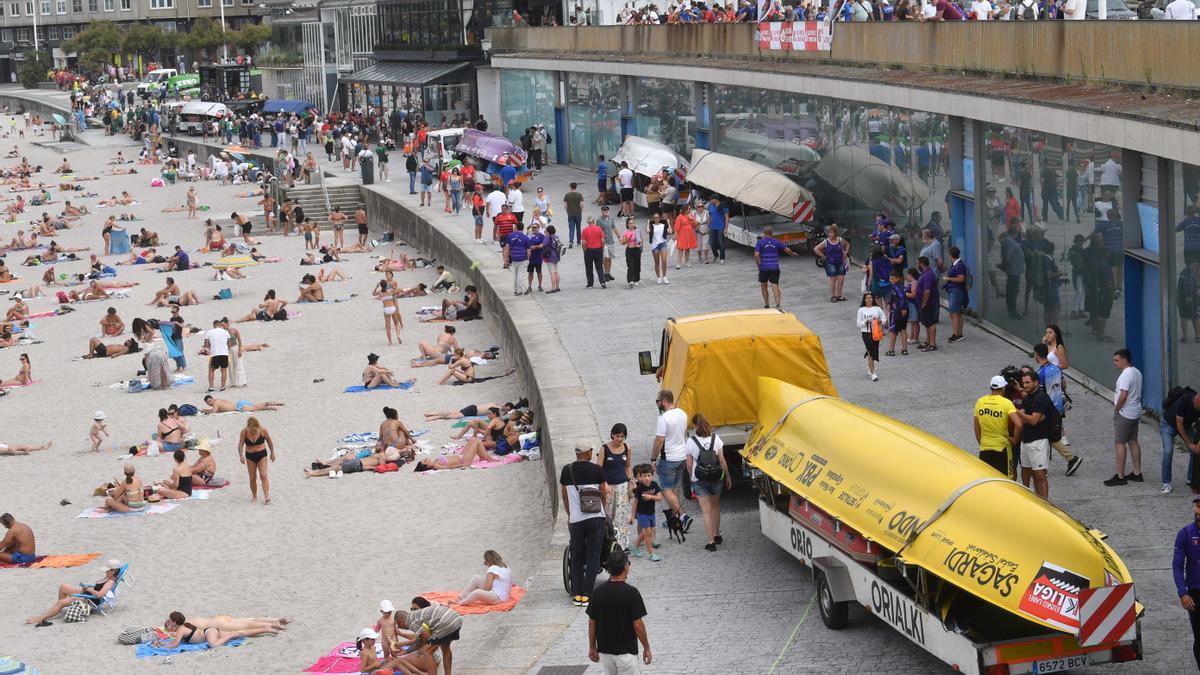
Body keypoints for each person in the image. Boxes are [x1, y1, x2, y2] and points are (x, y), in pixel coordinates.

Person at [587, 549, 652, 674]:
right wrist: (646, 647)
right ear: (625, 567)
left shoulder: (598, 592)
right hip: (626, 654)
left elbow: (591, 622)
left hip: (605, 653)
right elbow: (638, 624)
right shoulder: (631, 593)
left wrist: (592, 647)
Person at [561, 440, 609, 606]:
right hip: (596, 517)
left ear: (576, 453)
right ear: (588, 453)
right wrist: (604, 511)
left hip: (576, 519)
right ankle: (588, 594)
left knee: (577, 555)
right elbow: (603, 494)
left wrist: (570, 514)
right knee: (593, 554)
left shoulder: (567, 471)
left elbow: (565, 497)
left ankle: (577, 595)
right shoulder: (597, 470)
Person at [26, 560, 121, 626]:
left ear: (113, 571)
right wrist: (88, 588)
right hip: (88, 593)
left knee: (61, 602)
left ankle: (43, 618)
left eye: (107, 570)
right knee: (63, 587)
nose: (106, 572)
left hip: (89, 600)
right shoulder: (109, 577)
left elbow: (100, 595)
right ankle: (59, 608)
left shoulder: (111, 581)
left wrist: (90, 590)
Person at [686, 413, 731, 553]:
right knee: (716, 506)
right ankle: (717, 535)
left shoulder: (690, 441)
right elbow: (722, 460)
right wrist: (728, 476)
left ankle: (711, 542)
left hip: (699, 479)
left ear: (694, 425)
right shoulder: (716, 438)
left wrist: (691, 479)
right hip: (716, 477)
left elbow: (688, 464)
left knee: (706, 510)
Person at [650, 389, 692, 532]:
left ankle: (683, 516)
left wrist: (653, 458)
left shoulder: (663, 418)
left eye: (658, 401)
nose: (657, 404)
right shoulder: (683, 414)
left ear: (664, 401)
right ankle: (674, 519)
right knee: (674, 488)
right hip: (681, 457)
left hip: (668, 459)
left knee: (666, 489)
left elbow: (659, 440)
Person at [1104, 348, 1145, 487]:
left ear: (1124, 360)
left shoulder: (1125, 375)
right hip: (1135, 411)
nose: (1115, 363)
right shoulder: (1136, 372)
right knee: (1133, 440)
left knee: (1120, 443)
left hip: (1125, 413)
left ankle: (1120, 476)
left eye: (1116, 360)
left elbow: (1123, 395)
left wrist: (1117, 408)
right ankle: (1137, 472)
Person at [1015, 371, 1055, 500]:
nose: (1024, 385)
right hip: (1025, 440)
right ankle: (1027, 499)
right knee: (1025, 471)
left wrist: (1017, 411)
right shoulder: (1027, 399)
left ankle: (1045, 503)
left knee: (1039, 474)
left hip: (1038, 441)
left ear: (1036, 382)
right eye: (1023, 382)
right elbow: (1024, 420)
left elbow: (1033, 421)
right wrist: (1026, 416)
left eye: (1027, 382)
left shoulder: (1042, 398)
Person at [398, 598, 463, 675]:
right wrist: (407, 651)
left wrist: (412, 650)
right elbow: (422, 638)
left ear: (401, 620)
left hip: (445, 622)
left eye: (399, 625)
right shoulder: (420, 614)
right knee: (445, 649)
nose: (400, 627)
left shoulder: (410, 621)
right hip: (456, 617)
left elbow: (426, 637)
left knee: (426, 651)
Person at [598, 423, 635, 552]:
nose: (619, 439)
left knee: (622, 515)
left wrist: (631, 480)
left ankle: (622, 544)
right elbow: (599, 468)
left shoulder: (626, 448)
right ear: (612, 434)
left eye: (622, 436)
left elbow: (627, 466)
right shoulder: (604, 448)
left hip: (622, 485)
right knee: (608, 514)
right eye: (617, 436)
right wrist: (604, 484)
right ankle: (608, 543)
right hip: (608, 486)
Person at [156, 611, 281, 648]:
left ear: (174, 623)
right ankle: (267, 627)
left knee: (213, 644)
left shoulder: (181, 629)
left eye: (169, 621)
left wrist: (162, 646)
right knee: (243, 630)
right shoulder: (187, 624)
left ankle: (273, 622)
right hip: (213, 628)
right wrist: (162, 642)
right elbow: (173, 642)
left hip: (211, 631)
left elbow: (175, 645)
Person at [1174, 496, 1200, 670]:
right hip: (1195, 595)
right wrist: (1183, 593)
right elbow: (1177, 566)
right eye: (1198, 505)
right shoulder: (1185, 534)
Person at [1162, 389, 1200, 496]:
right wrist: (1189, 444)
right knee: (1168, 451)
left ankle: (1191, 480)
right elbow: (1179, 426)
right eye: (1198, 408)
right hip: (1168, 424)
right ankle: (1166, 483)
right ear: (1196, 401)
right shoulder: (1184, 401)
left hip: (1185, 425)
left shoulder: (1198, 404)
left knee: (1196, 450)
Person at [754, 226, 798, 308]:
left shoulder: (760, 243)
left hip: (764, 268)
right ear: (772, 233)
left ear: (764, 233)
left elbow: (756, 255)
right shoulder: (777, 242)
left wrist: (758, 265)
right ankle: (778, 304)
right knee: (775, 285)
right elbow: (787, 250)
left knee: (763, 285)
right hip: (774, 267)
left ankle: (766, 304)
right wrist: (792, 254)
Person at [239, 417, 275, 505]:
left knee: (263, 475)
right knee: (252, 478)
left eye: (254, 430)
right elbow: (240, 445)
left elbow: (269, 441)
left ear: (257, 427)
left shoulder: (263, 430)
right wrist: (241, 456)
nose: (253, 432)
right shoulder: (244, 432)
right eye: (251, 430)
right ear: (248, 427)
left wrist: (272, 453)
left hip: (261, 454)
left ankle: (267, 496)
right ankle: (254, 496)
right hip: (250, 456)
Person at [813, 223, 849, 302]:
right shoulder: (826, 241)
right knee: (833, 279)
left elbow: (847, 244)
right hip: (830, 263)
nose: (830, 234)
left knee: (841, 279)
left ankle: (839, 295)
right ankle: (833, 296)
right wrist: (823, 256)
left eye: (832, 232)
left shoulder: (840, 240)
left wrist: (845, 252)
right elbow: (816, 249)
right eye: (829, 232)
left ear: (835, 233)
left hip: (840, 262)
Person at [856, 292, 885, 382]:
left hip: (876, 332)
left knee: (874, 350)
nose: (869, 299)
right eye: (867, 298)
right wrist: (865, 322)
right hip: (866, 333)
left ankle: (869, 364)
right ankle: (873, 373)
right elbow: (858, 323)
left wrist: (880, 321)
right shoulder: (861, 310)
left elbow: (884, 319)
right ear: (864, 300)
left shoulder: (877, 309)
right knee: (870, 351)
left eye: (870, 298)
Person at [944, 246, 968, 343]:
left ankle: (956, 334)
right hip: (953, 290)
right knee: (957, 312)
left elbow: (961, 279)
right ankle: (959, 333)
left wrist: (948, 279)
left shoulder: (959, 265)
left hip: (956, 291)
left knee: (954, 313)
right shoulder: (954, 264)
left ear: (950, 255)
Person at [916, 256, 940, 351]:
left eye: (918, 263)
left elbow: (927, 291)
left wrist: (924, 302)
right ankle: (928, 341)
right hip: (925, 303)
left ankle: (933, 343)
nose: (917, 265)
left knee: (931, 323)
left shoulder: (928, 275)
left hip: (929, 303)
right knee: (927, 323)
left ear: (922, 264)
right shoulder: (924, 273)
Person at [204, 319, 231, 393]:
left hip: (215, 353)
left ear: (213, 325)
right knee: (224, 370)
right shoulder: (225, 332)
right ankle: (222, 387)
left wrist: (209, 347)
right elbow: (229, 342)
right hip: (224, 354)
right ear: (220, 325)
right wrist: (226, 349)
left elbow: (206, 344)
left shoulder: (209, 332)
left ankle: (211, 387)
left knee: (211, 370)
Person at [582, 216, 606, 289]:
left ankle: (590, 283)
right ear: (594, 221)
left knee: (589, 267)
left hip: (589, 250)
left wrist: (584, 250)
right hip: (598, 249)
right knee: (599, 267)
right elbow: (603, 240)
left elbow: (583, 243)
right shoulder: (599, 229)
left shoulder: (584, 230)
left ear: (588, 222)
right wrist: (601, 248)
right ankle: (602, 282)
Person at [201, 395, 284, 414]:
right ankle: (277, 403)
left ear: (212, 399)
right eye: (208, 403)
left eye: (209, 401)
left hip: (240, 407)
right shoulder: (218, 400)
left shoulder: (216, 403)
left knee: (258, 408)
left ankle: (271, 408)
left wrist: (206, 411)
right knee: (259, 404)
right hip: (240, 403)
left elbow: (213, 412)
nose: (209, 403)